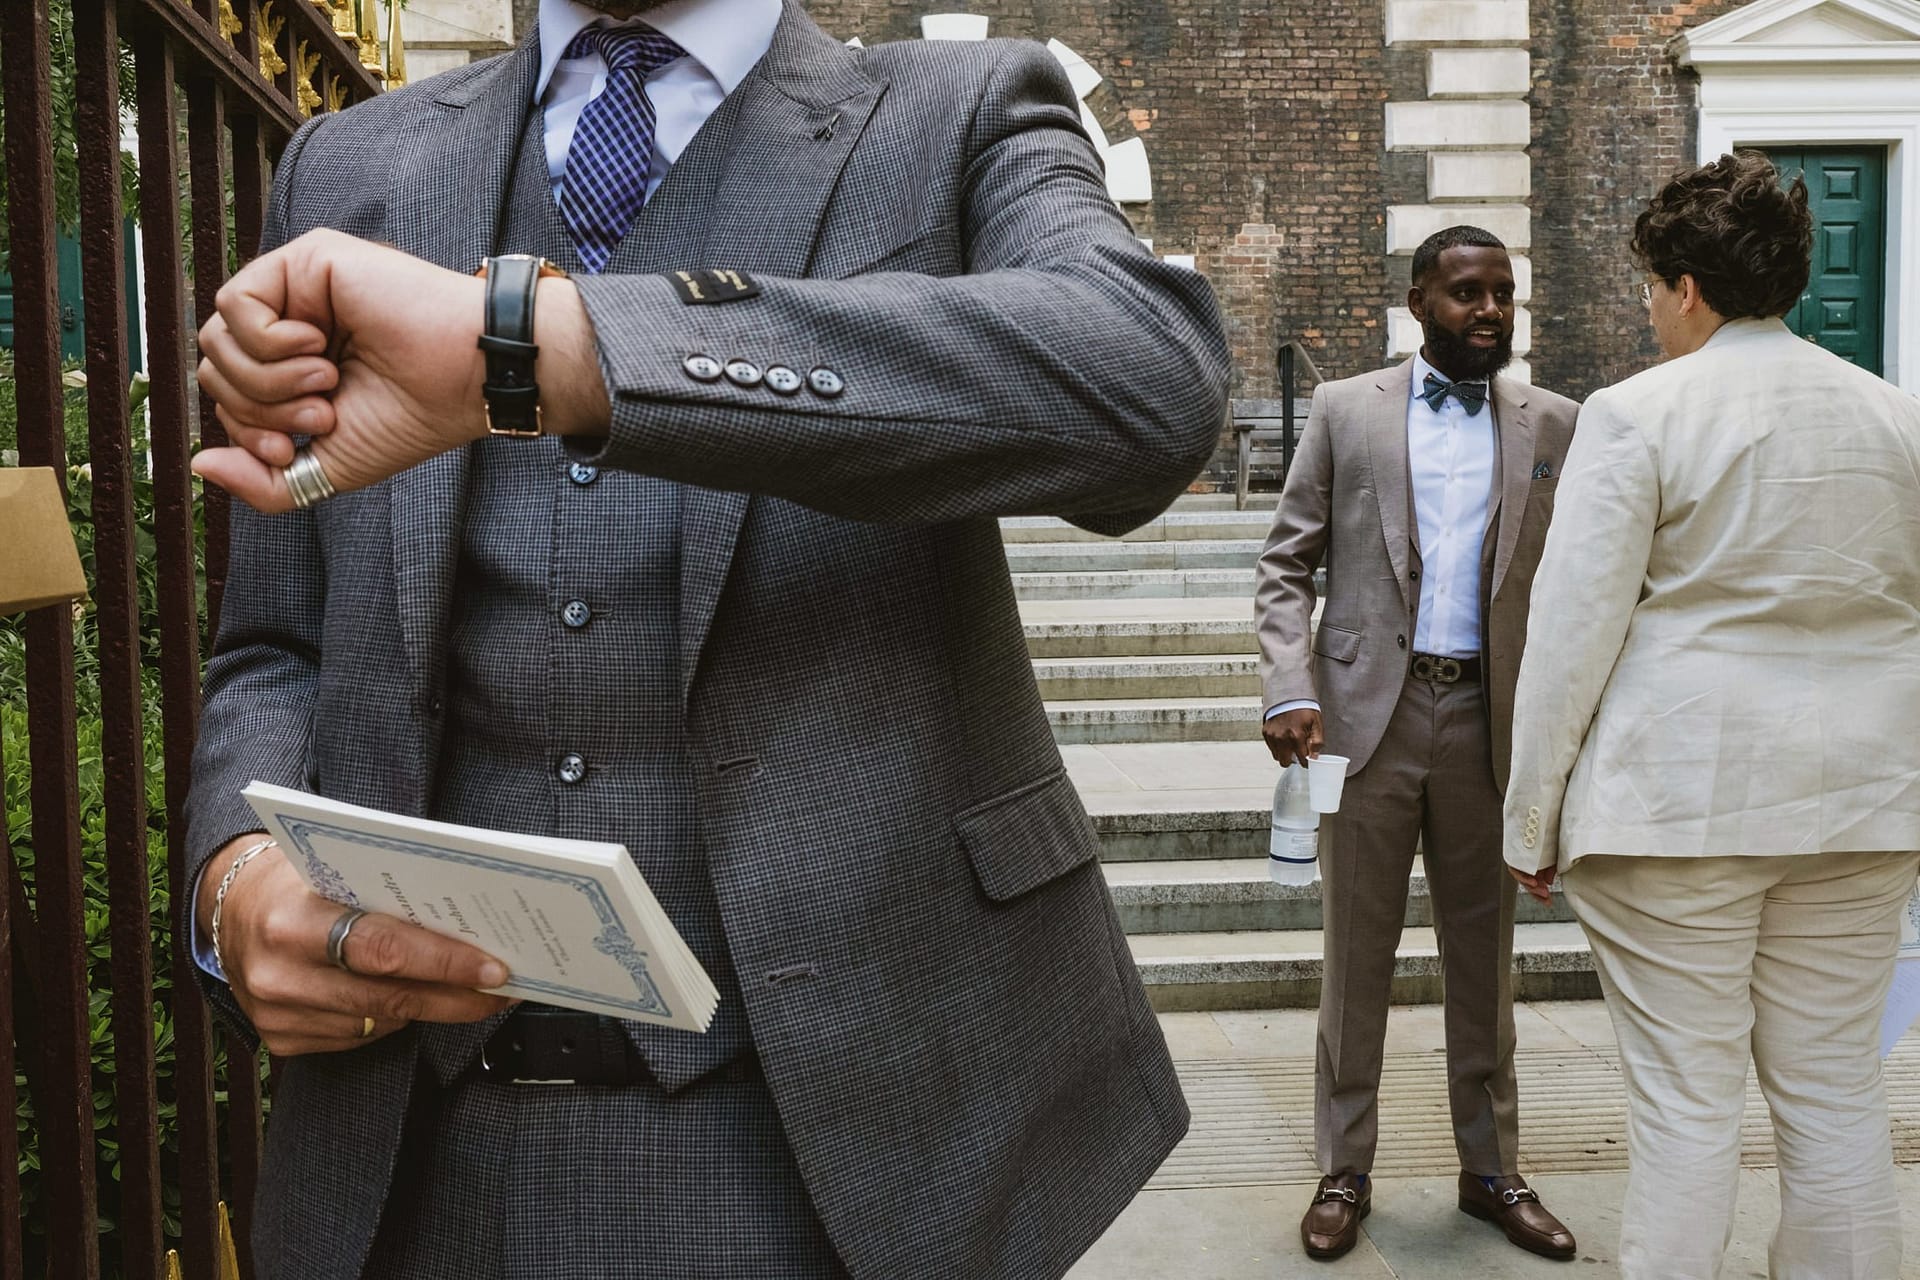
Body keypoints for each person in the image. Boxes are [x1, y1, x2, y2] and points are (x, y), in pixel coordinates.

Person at [179, 0, 1232, 1274]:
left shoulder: (959, 109)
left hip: (840, 1148)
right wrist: (234, 882)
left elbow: (1146, 382)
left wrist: (557, 350)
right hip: (405, 1156)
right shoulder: (346, 167)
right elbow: (277, 645)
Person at [1503, 150, 1920, 1280]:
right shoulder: (1897, 418)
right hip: (1865, 804)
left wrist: (1529, 819)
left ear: (1686, 287)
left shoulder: (1636, 414)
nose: (1649, 312)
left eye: (1649, 288)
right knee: (1836, 1092)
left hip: (1676, 802)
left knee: (1687, 1108)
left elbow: (1572, 630)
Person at [1255, 225, 1579, 1262]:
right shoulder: (1346, 409)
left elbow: (1578, 584)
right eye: (1467, 294)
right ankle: (1344, 1168)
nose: (1490, 312)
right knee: (1357, 957)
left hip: (1490, 721)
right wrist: (1286, 689)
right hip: (1365, 723)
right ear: (1418, 302)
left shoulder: (1555, 424)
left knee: (1484, 965)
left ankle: (1491, 1169)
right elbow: (1285, 565)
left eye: (1504, 296)